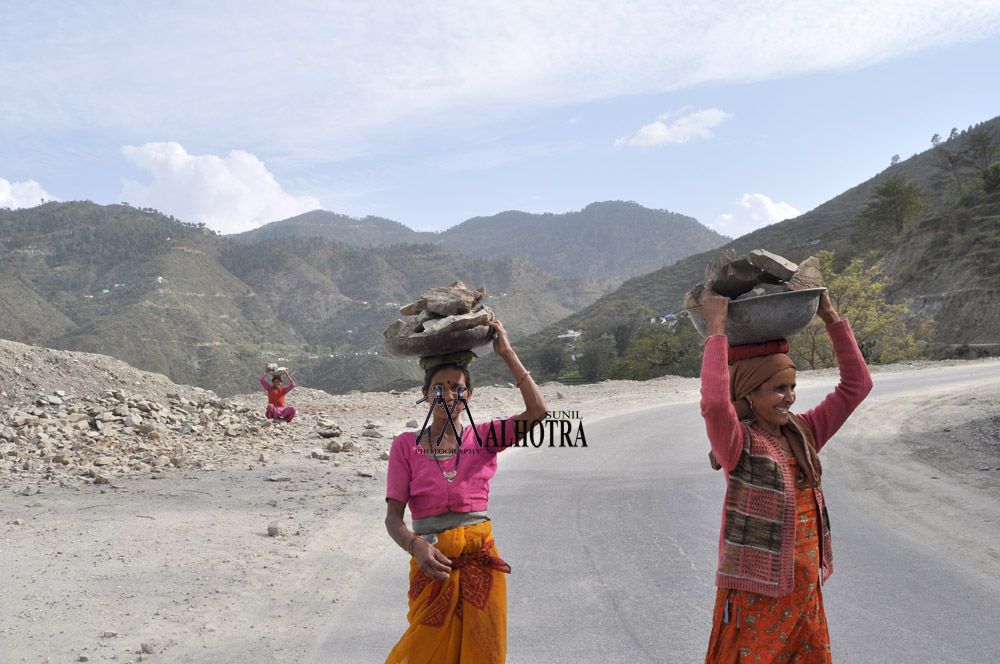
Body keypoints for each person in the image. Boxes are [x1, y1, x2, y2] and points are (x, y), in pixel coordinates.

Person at [698, 283, 873, 663]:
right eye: (778, 389)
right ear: (748, 394)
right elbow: (714, 403)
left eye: (792, 387)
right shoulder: (737, 443)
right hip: (758, 593)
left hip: (804, 587)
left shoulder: (804, 432)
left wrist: (830, 317)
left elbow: (857, 386)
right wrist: (717, 327)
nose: (790, 397)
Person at [384, 320, 547, 664]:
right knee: (421, 655)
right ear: (426, 394)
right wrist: (416, 548)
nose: (448, 394)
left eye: (457, 387)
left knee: (481, 654)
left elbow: (538, 413)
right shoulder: (405, 446)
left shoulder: (485, 436)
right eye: (439, 387)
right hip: (433, 567)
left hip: (479, 568)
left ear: (468, 396)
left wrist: (507, 353)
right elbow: (393, 519)